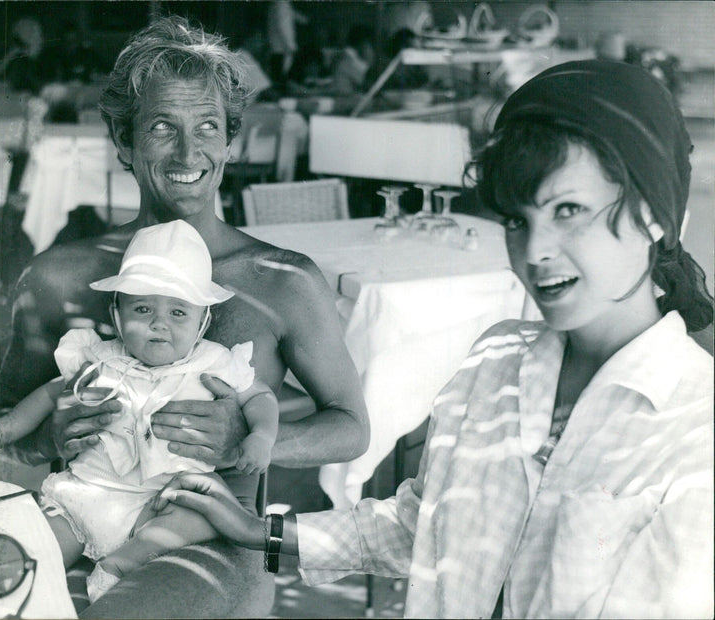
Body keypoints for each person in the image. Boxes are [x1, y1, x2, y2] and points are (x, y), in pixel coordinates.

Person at [158, 60, 715, 618]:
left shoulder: (695, 425)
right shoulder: (498, 359)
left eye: (569, 210)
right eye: (518, 220)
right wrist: (264, 533)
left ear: (653, 214)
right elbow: (423, 526)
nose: (536, 250)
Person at [0, 15, 368, 618]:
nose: (189, 153)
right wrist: (46, 434)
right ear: (123, 140)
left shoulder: (283, 281)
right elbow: (7, 432)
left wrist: (253, 440)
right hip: (76, 515)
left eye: (208, 128)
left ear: (230, 141)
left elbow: (352, 426)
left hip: (209, 533)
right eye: (163, 127)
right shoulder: (57, 275)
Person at [0, 220, 279, 602]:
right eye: (142, 308)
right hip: (87, 494)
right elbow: (48, 395)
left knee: (198, 517)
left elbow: (261, 398)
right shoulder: (99, 359)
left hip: (164, 502)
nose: (159, 323)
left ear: (203, 321)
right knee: (37, 548)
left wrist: (261, 437)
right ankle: (22, 577)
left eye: (178, 313)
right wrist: (1, 431)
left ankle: (118, 566)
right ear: (117, 314)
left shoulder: (213, 363)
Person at [330, 25, 375, 96]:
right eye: (369, 44)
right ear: (362, 43)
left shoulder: (347, 56)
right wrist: (369, 58)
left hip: (346, 98)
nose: (370, 49)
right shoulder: (349, 60)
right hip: (345, 100)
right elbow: (370, 85)